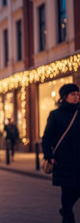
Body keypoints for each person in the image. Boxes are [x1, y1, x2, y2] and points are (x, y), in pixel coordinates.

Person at [42, 83, 80, 223]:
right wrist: (49, 155)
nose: (76, 97)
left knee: (76, 190)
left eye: (77, 94)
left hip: (79, 159)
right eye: (73, 94)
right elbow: (47, 138)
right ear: (65, 97)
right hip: (63, 160)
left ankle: (66, 209)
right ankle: (67, 217)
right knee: (67, 190)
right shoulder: (55, 115)